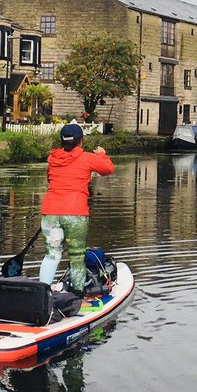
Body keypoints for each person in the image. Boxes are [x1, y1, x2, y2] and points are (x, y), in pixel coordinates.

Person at [39, 123, 114, 293]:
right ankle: (78, 294)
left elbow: (50, 180)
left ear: (61, 141)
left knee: (52, 254)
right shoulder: (87, 157)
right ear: (80, 141)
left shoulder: (52, 159)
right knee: (77, 256)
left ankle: (42, 294)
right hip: (75, 213)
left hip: (50, 212)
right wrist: (102, 155)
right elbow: (108, 169)